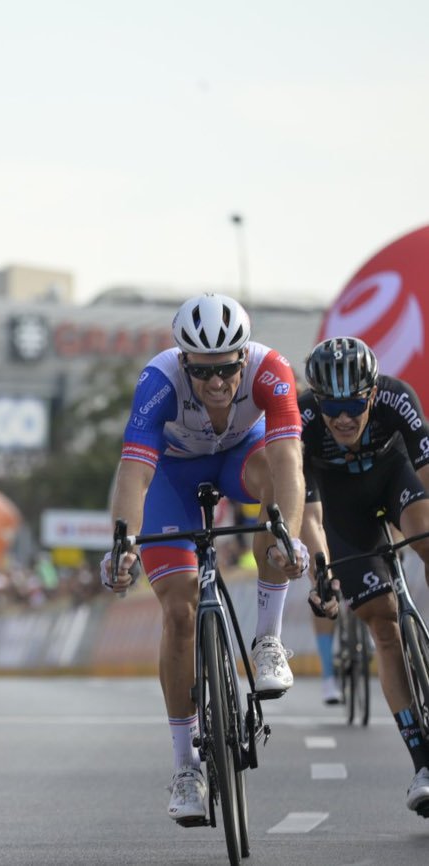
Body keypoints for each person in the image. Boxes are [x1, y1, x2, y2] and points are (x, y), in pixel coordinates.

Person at [99, 293, 309, 825]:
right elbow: (135, 473)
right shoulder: (159, 381)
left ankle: (267, 641)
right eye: (204, 372)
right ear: (184, 361)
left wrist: (289, 535)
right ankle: (185, 766)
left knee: (275, 505)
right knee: (178, 610)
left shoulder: (272, 370)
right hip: (173, 475)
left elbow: (288, 460)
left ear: (244, 358)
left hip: (244, 459)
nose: (217, 384)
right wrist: (123, 542)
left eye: (226, 371)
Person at [298, 337, 429, 813]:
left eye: (354, 403)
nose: (344, 417)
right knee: (382, 619)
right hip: (340, 508)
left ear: (372, 394)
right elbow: (308, 515)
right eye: (332, 406)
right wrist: (321, 576)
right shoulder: (303, 420)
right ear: (318, 399)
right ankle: (422, 764)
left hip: (395, 479)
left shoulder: (398, 398)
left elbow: (427, 476)